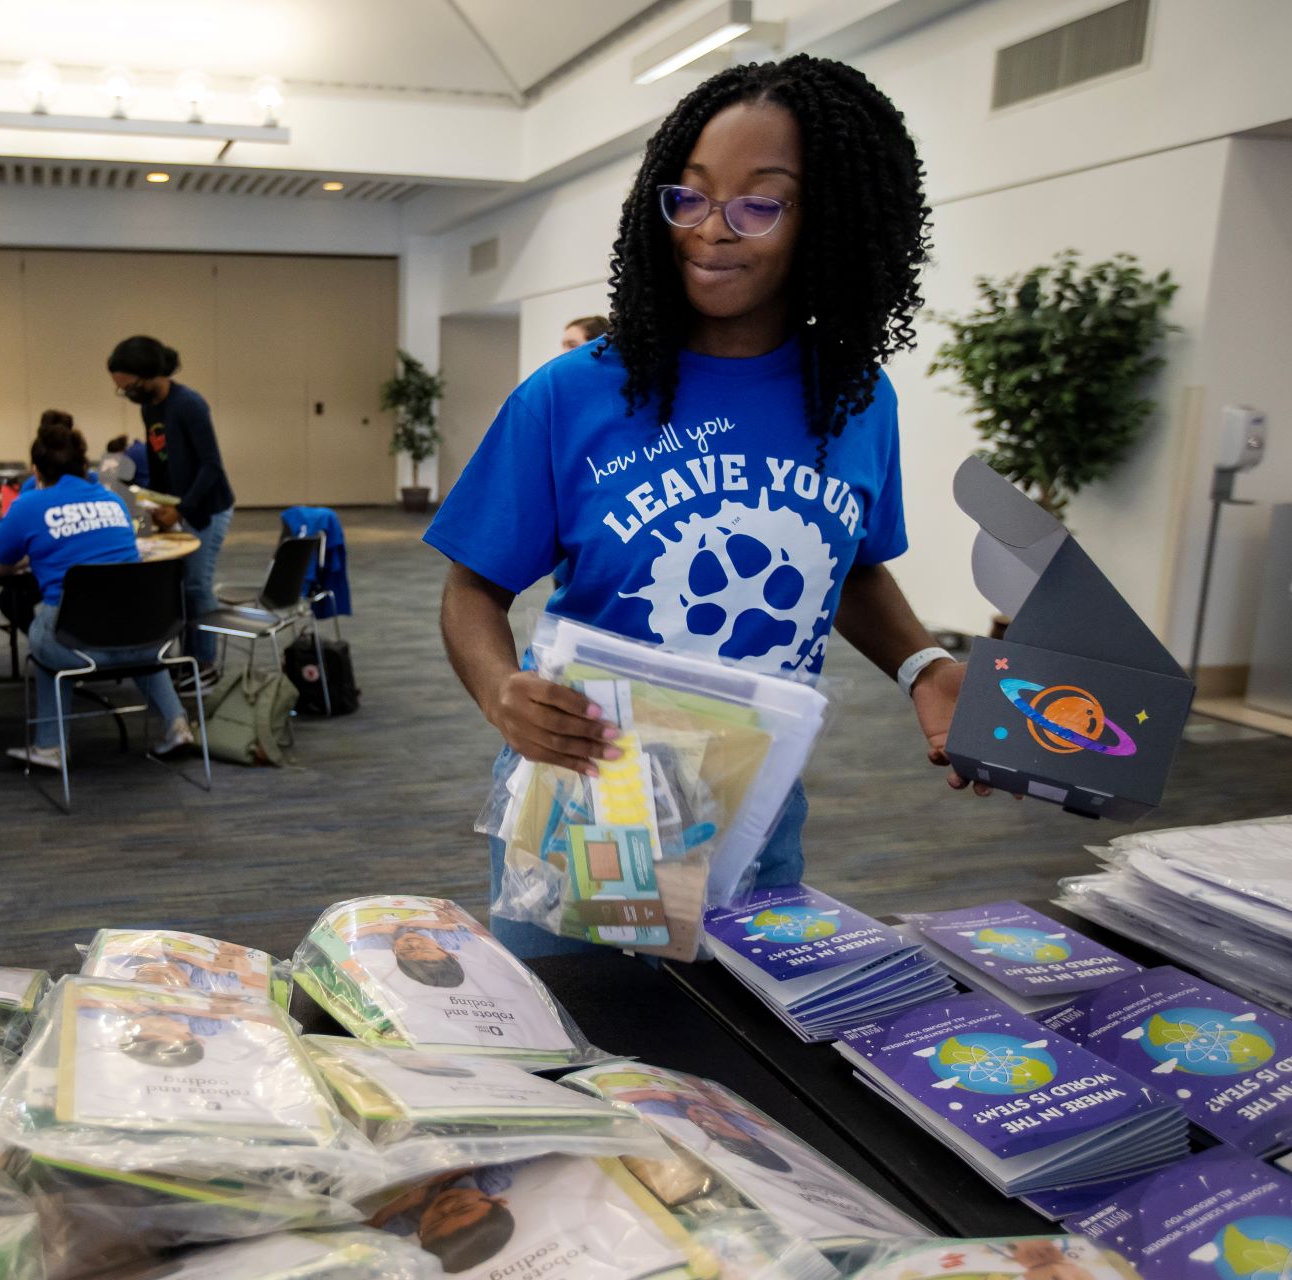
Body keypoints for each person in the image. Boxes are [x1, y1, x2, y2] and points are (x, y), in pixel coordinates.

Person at [427, 56, 996, 961]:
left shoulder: (854, 399)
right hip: (594, 796)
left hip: (755, 809)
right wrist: (503, 694)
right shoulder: (573, 395)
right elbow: (472, 590)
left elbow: (847, 567)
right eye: (687, 198)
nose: (711, 231)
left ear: (832, 223)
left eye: (759, 204)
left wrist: (924, 664)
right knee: (577, 1056)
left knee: (731, 1068)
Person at [0, 420, 195, 771]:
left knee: (46, 633)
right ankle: (177, 724)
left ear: (36, 470)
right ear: (85, 466)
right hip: (148, 634)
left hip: (77, 643)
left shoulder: (29, 504)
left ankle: (51, 745)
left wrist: (26, 559)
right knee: (130, 626)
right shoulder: (113, 501)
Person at [106, 336, 234, 677]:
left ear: (148, 374)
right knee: (177, 586)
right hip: (179, 505)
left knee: (196, 585)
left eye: (129, 386)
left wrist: (182, 508)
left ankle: (204, 665)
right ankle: (187, 662)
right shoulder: (150, 408)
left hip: (208, 507)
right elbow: (158, 459)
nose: (127, 394)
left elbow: (211, 465)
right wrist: (154, 503)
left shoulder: (189, 405)